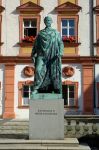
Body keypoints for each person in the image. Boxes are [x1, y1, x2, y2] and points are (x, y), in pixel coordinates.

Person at [31, 16, 64, 94]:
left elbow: (60, 43)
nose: (48, 22)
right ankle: (37, 87)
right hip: (41, 55)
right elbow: (36, 44)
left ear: (51, 22)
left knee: (53, 72)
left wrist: (60, 52)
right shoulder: (40, 33)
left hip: (52, 55)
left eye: (49, 20)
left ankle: (55, 88)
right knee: (38, 70)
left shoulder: (56, 32)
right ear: (44, 22)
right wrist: (33, 54)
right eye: (46, 20)